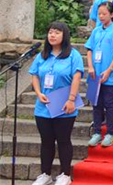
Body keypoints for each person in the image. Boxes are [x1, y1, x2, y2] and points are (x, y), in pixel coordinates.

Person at [30, 22, 84, 185]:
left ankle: (65, 174)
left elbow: (76, 77)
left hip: (64, 104)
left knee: (63, 140)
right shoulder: (42, 55)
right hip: (43, 106)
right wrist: (38, 93)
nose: (52, 35)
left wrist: (71, 99)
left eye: (57, 33)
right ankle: (45, 173)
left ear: (64, 35)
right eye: (50, 32)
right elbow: (34, 74)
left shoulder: (73, 55)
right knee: (46, 141)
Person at [86, 2, 113, 147]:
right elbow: (89, 49)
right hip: (94, 74)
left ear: (112, 14)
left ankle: (110, 133)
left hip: (110, 75)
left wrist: (109, 70)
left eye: (104, 13)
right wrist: (90, 66)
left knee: (109, 105)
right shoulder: (96, 31)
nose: (101, 16)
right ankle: (97, 132)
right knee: (95, 104)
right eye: (99, 14)